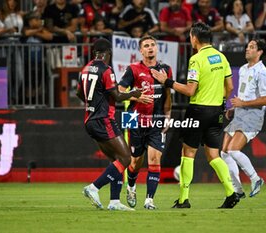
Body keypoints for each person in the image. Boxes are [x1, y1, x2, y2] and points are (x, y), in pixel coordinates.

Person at [151, 22, 239, 209]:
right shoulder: (221, 57)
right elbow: (230, 87)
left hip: (198, 111)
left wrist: (166, 81)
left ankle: (184, 199)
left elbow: (191, 90)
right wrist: (218, 100)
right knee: (214, 155)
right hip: (217, 111)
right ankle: (231, 193)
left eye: (191, 36)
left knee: (188, 153)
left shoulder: (196, 59)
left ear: (195, 38)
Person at [77, 38, 142, 211]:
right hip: (103, 119)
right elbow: (118, 96)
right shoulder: (106, 70)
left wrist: (93, 101)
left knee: (116, 160)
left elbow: (79, 93)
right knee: (127, 158)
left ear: (94, 53)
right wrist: (134, 93)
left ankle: (114, 201)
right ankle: (94, 187)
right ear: (109, 53)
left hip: (89, 119)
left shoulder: (85, 69)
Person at [118, 35, 172, 210]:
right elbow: (119, 91)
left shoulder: (165, 69)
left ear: (157, 48)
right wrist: (137, 96)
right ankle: (131, 186)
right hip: (134, 119)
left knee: (155, 159)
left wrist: (168, 115)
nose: (150, 48)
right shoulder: (133, 69)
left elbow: (168, 95)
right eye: (146, 46)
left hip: (157, 119)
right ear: (141, 51)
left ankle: (149, 200)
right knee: (135, 162)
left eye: (153, 45)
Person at [221, 39, 266, 199]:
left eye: (252, 47)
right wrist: (234, 107)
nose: (247, 49)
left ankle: (256, 179)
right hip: (240, 113)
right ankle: (238, 190)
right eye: (247, 46)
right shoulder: (243, 69)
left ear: (260, 52)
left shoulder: (262, 72)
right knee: (224, 153)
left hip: (253, 116)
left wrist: (243, 103)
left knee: (233, 150)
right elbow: (243, 94)